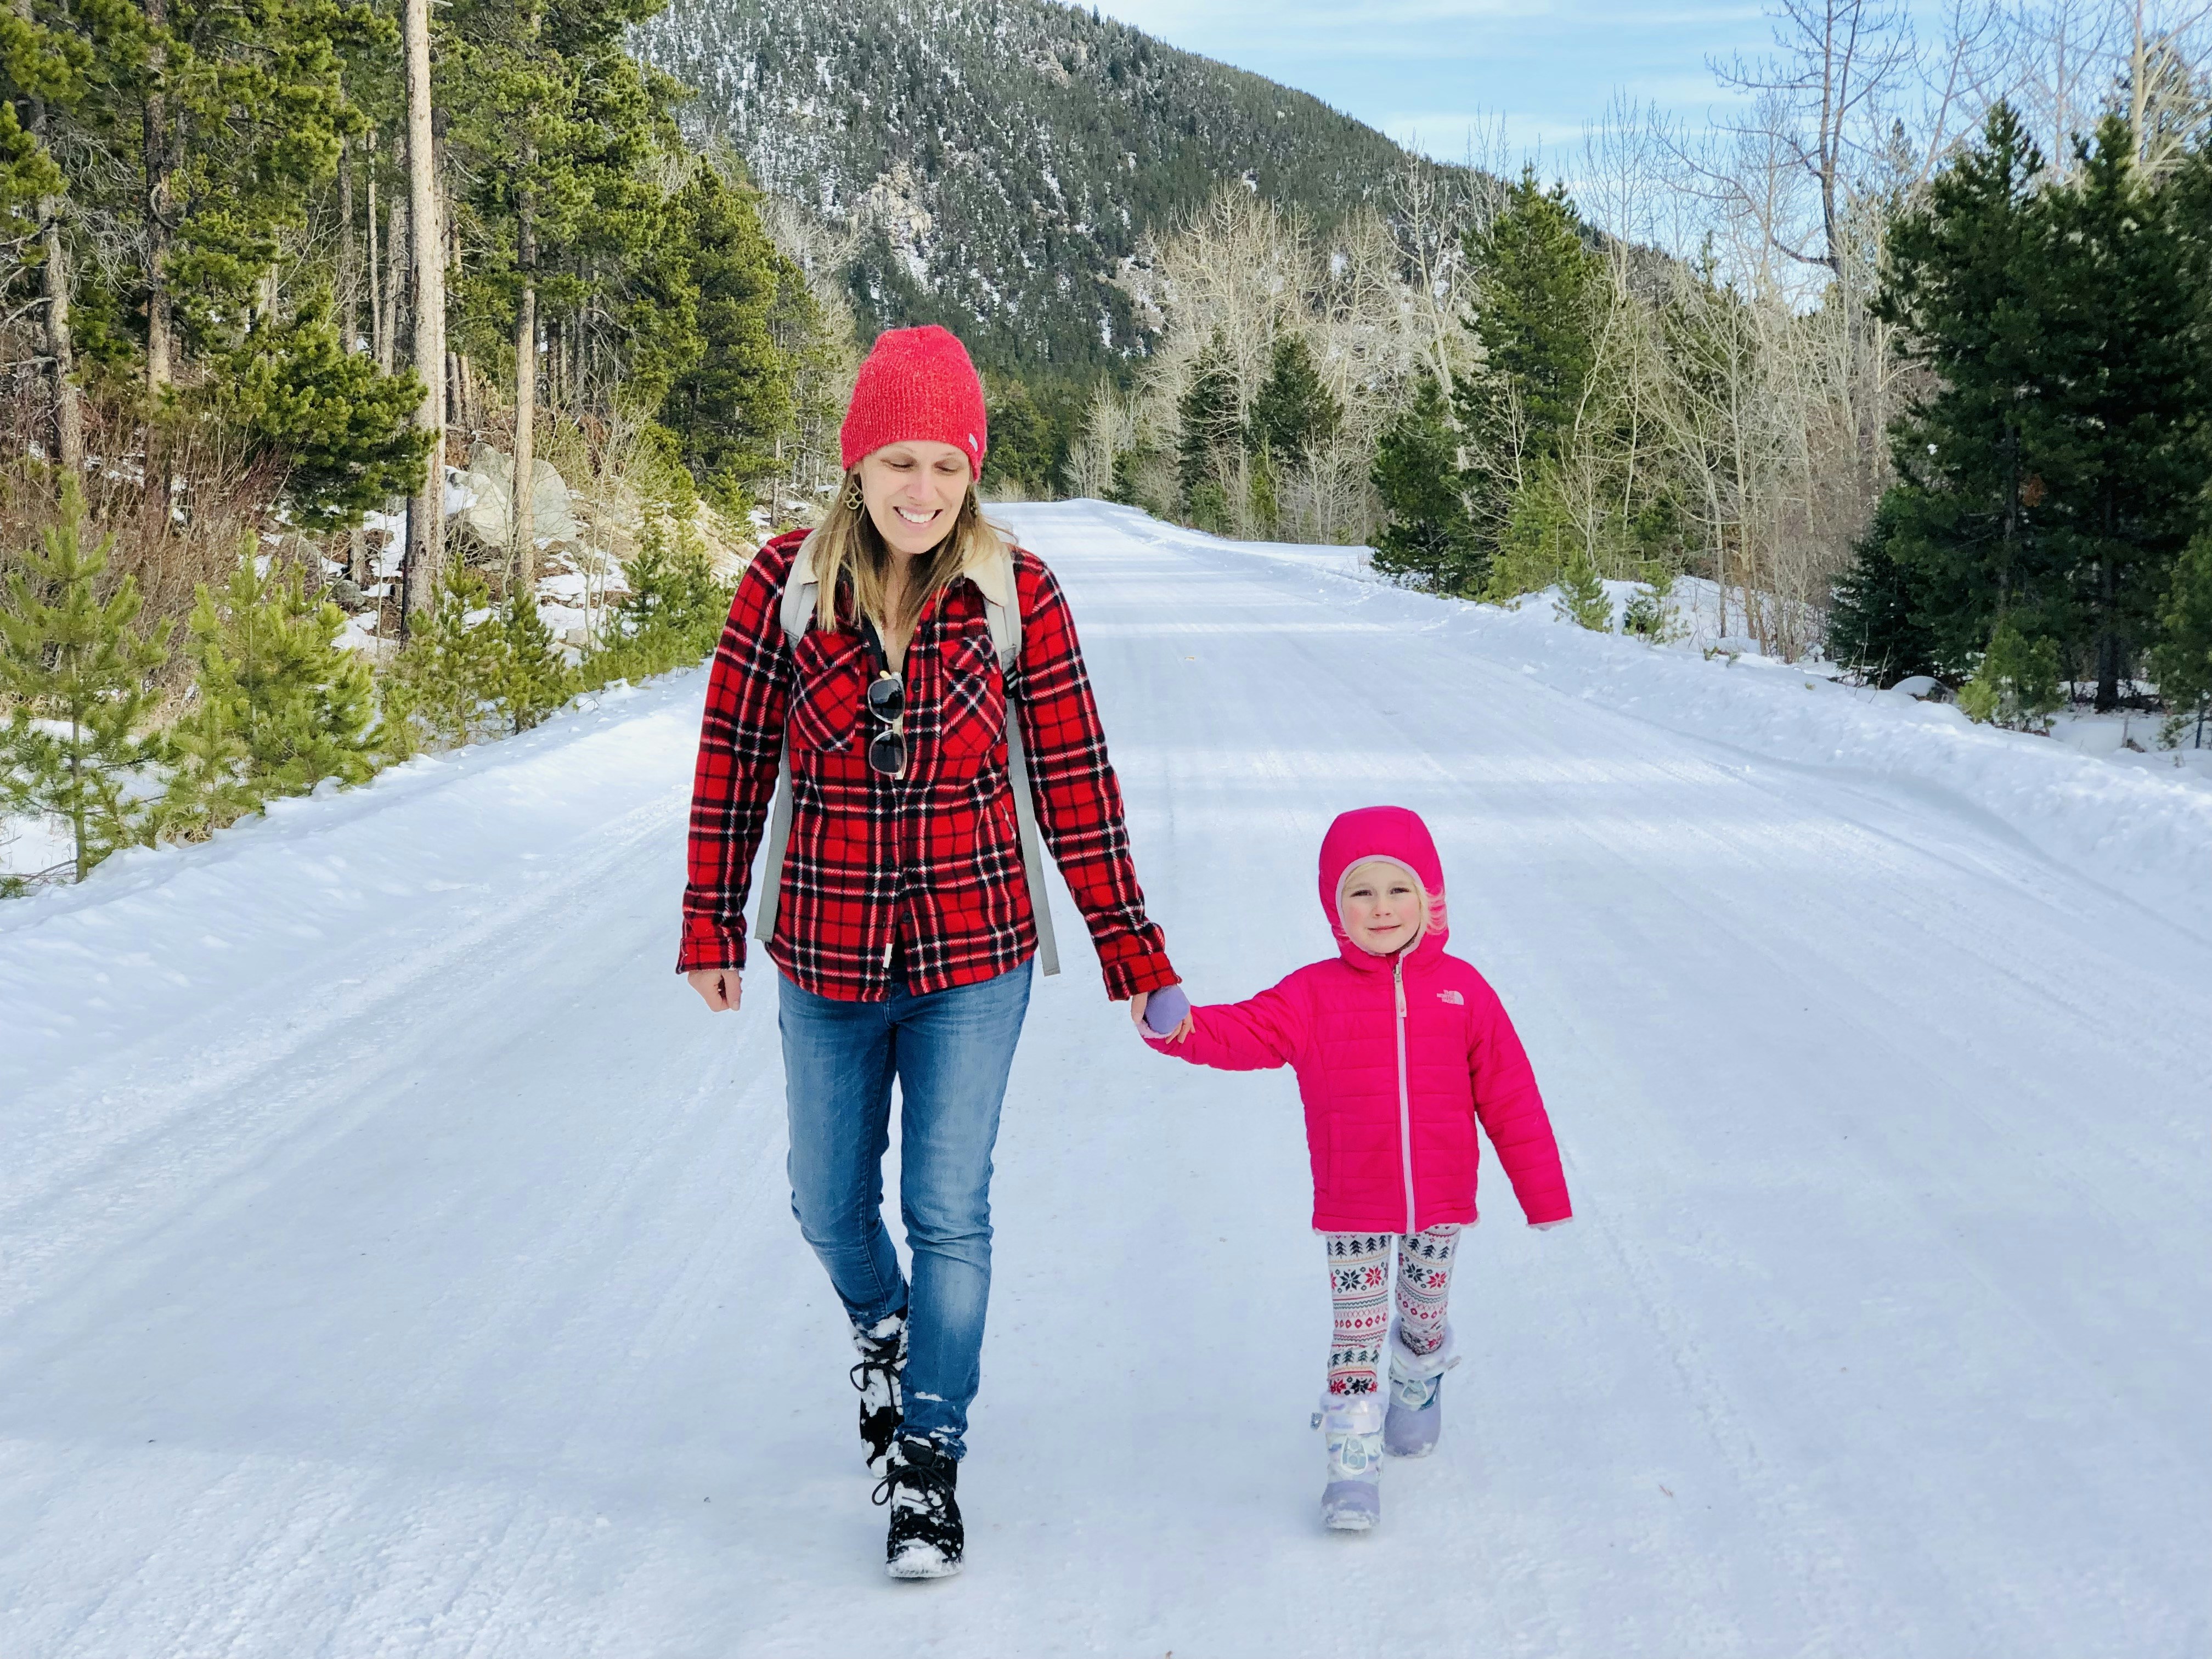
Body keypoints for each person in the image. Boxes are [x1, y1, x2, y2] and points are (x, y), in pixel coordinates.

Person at [679, 324, 1184, 1580]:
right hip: (827, 953)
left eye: (946, 466)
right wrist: (709, 920)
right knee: (826, 1204)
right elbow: (733, 764)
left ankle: (929, 1462)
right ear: (857, 463)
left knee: (949, 1209)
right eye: (899, 461)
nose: (922, 489)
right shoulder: (784, 586)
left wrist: (1133, 950)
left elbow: (1075, 784)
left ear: (972, 472)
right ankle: (885, 1331)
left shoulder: (1019, 595)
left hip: (974, 957)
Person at [1139, 804, 1570, 1531]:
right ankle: (1352, 1466)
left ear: (1429, 898)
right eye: (1360, 893)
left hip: (1441, 1199)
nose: (1381, 908)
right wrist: (1177, 1025)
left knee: (1424, 1314)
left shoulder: (1464, 991)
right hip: (1354, 1201)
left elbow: (1511, 1095)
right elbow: (1242, 1030)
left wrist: (1543, 1193)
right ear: (1335, 908)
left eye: (1398, 889)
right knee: (1355, 1333)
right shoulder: (1313, 994)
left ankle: (1420, 1377)